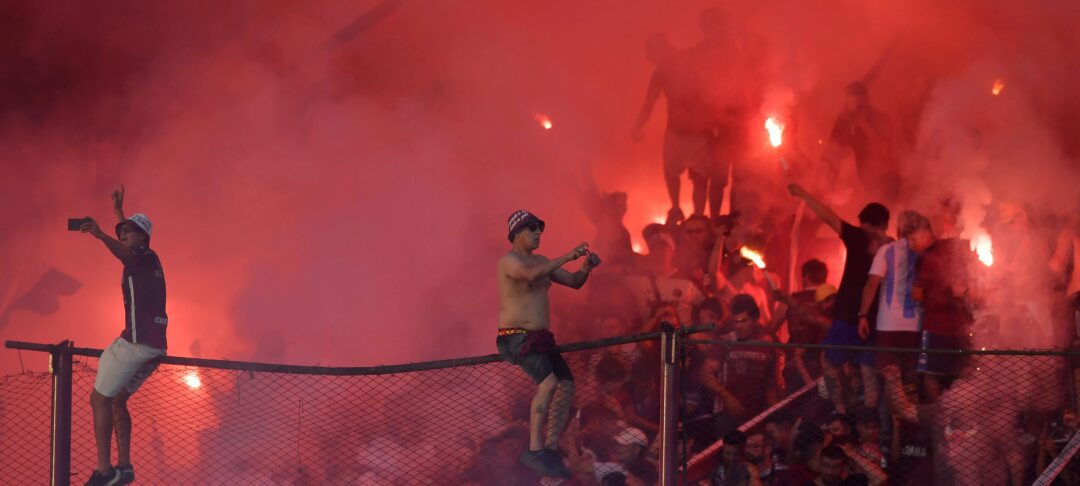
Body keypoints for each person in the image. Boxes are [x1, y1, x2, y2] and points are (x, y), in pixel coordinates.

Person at [496, 210, 602, 477]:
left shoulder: (543, 262)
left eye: (540, 228)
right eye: (532, 228)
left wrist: (585, 268)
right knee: (549, 383)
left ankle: (550, 448)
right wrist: (567, 255)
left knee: (566, 385)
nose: (538, 233)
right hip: (515, 336)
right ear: (516, 232)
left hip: (541, 338)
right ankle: (535, 450)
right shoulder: (508, 261)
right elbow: (530, 275)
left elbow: (575, 283)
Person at [79, 186, 167, 486]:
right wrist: (119, 211)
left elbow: (125, 250)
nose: (122, 234)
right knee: (117, 401)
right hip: (155, 346)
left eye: (128, 231)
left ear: (142, 236)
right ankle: (125, 468)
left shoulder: (139, 255)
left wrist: (101, 234)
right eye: (121, 231)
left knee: (97, 400)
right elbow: (128, 240)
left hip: (136, 342)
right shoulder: (149, 257)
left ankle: (104, 472)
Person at [788, 183, 891, 412]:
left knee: (830, 360)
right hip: (877, 318)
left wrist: (804, 194)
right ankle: (868, 417)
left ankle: (841, 410)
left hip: (849, 314)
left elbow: (828, 216)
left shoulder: (858, 236)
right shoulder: (892, 246)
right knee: (867, 368)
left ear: (865, 222)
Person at [857, 211, 933, 375]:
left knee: (889, 373)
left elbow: (872, 284)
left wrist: (863, 315)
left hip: (888, 322)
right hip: (915, 323)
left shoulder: (887, 250)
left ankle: (894, 399)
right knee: (910, 372)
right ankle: (908, 399)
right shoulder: (924, 251)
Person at [701, 295, 783, 436]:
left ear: (756, 320)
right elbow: (706, 374)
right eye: (735, 322)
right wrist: (728, 398)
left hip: (757, 415)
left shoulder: (768, 346)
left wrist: (775, 415)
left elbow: (771, 386)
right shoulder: (725, 342)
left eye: (743, 321)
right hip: (727, 414)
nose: (738, 326)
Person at [912, 233, 975, 400]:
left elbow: (917, 294)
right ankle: (956, 414)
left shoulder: (930, 258)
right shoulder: (962, 259)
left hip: (936, 327)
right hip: (959, 328)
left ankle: (940, 416)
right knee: (960, 376)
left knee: (930, 373)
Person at [819, 81, 898, 204]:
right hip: (870, 187)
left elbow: (883, 149)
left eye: (857, 102)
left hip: (887, 183)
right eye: (850, 103)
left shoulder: (880, 119)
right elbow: (837, 153)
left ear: (865, 100)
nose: (854, 107)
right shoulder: (851, 127)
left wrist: (865, 125)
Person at [811, 444, 888, 486]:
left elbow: (880, 478)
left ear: (843, 466)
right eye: (826, 465)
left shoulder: (851, 482)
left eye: (836, 466)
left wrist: (853, 455)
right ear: (820, 463)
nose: (830, 472)